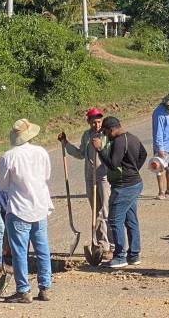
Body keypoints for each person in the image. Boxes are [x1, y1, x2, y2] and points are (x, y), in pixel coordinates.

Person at [0, 119, 53, 303]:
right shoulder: (41, 152)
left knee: (20, 252)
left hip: (19, 209)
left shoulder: (8, 156)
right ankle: (45, 288)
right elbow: (47, 176)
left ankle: (23, 290)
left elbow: (2, 184)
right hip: (40, 206)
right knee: (42, 249)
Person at [93, 116, 148, 269]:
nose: (105, 135)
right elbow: (143, 154)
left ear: (111, 129)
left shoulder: (119, 141)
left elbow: (112, 164)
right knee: (131, 220)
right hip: (134, 183)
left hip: (124, 187)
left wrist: (100, 149)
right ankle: (134, 254)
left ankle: (120, 256)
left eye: (105, 132)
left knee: (115, 220)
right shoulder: (133, 137)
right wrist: (133, 169)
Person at [57, 107, 111, 259]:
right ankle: (100, 243)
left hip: (104, 176)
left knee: (104, 212)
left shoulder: (106, 134)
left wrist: (100, 146)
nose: (97, 125)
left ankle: (107, 246)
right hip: (89, 176)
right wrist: (66, 143)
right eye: (94, 122)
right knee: (96, 210)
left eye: (99, 122)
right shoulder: (86, 135)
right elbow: (80, 154)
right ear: (88, 122)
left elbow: (111, 154)